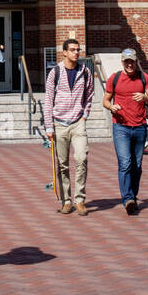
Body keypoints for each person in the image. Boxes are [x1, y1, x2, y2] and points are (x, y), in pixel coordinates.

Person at [103, 47, 148, 215]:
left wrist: (145, 97)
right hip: (121, 128)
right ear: (122, 62)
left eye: (132, 61)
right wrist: (112, 107)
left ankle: (132, 194)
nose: (130, 65)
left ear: (135, 61)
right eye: (127, 62)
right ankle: (128, 199)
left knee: (137, 166)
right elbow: (105, 100)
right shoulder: (115, 78)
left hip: (139, 127)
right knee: (125, 163)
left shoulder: (143, 77)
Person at [44, 38, 94, 216]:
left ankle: (80, 200)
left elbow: (90, 94)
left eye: (78, 50)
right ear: (64, 52)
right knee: (62, 164)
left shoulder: (85, 71)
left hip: (78, 122)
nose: (76, 53)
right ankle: (66, 201)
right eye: (72, 50)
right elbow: (48, 100)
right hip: (59, 123)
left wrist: (85, 115)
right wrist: (49, 126)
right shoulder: (55, 72)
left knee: (81, 158)